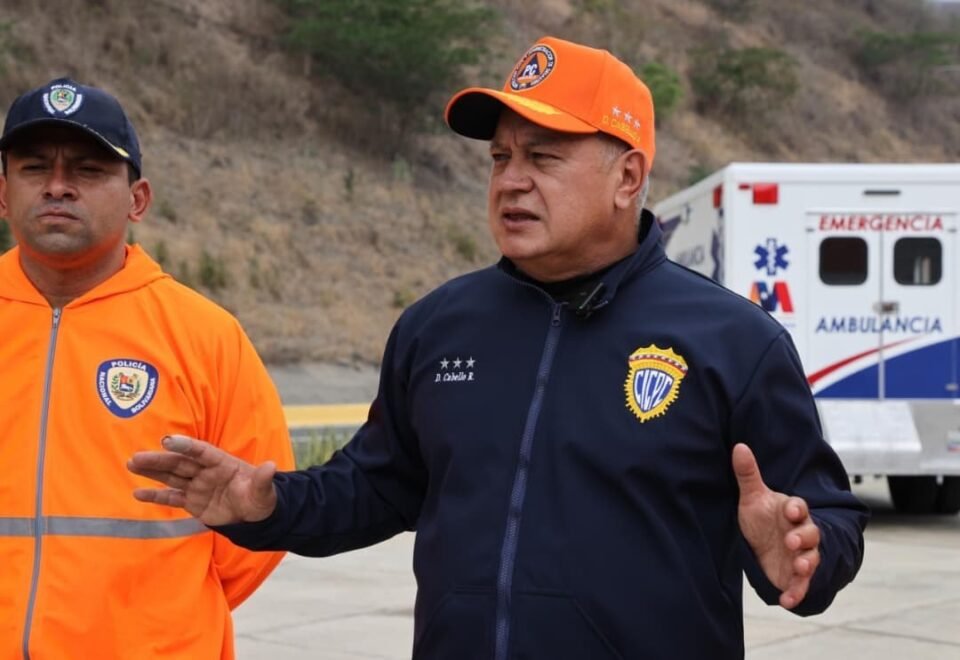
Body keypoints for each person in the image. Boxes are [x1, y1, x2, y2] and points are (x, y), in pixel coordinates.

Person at [129, 37, 868, 659]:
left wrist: (803, 555)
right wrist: (268, 504)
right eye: (500, 157)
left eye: (543, 157)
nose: (511, 181)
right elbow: (376, 488)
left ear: (628, 177)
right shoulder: (438, 327)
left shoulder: (733, 341)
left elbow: (827, 518)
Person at [0, 77, 294, 659]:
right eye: (34, 168)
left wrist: (156, 624)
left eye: (87, 170)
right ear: (3, 194)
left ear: (138, 199)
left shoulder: (206, 336)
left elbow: (260, 517)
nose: (58, 186)